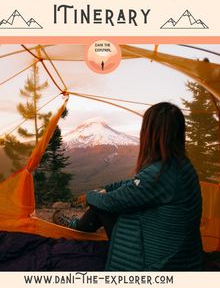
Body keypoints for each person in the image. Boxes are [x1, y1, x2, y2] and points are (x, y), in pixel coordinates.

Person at [57, 102, 203, 271]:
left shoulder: (160, 173)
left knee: (101, 205)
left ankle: (78, 226)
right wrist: (107, 188)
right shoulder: (181, 166)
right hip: (185, 257)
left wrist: (91, 195)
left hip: (160, 263)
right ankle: (79, 225)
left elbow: (112, 202)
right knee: (105, 199)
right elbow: (133, 184)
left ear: (151, 133)